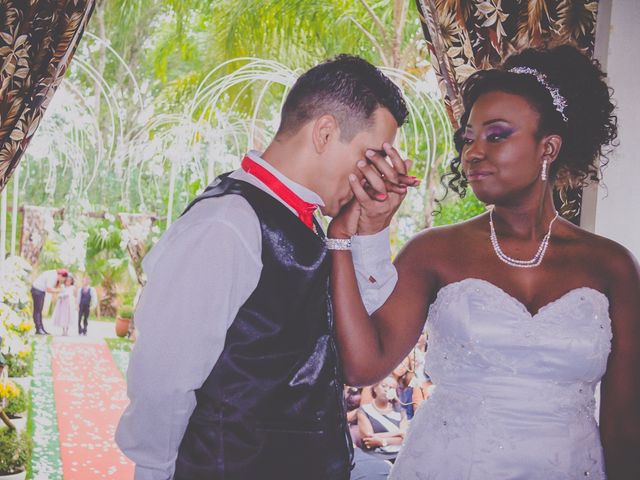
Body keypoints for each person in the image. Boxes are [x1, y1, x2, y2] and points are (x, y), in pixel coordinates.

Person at [328, 44, 640, 478]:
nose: (473, 152)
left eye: (496, 135)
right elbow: (363, 366)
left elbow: (625, 426)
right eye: (467, 139)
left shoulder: (612, 267)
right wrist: (350, 236)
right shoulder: (434, 251)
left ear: (548, 147)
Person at [116, 54, 419, 480]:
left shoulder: (316, 226)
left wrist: (367, 232)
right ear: (326, 132)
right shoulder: (227, 223)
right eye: (372, 156)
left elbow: (361, 344)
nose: (377, 175)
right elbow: (163, 380)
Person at [357, 375, 407, 463]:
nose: (386, 389)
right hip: (376, 456)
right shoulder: (364, 410)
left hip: (399, 455)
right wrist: (398, 433)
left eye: (391, 388)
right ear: (375, 388)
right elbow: (368, 438)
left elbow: (405, 438)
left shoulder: (400, 411)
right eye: (383, 386)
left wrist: (382, 441)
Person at [30, 268, 67, 335]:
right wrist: (60, 290)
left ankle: (41, 328)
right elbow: (49, 289)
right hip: (37, 290)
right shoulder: (53, 276)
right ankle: (38, 329)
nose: (61, 280)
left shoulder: (53, 273)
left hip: (40, 291)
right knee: (37, 311)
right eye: (63, 279)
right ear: (61, 275)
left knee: (39, 311)